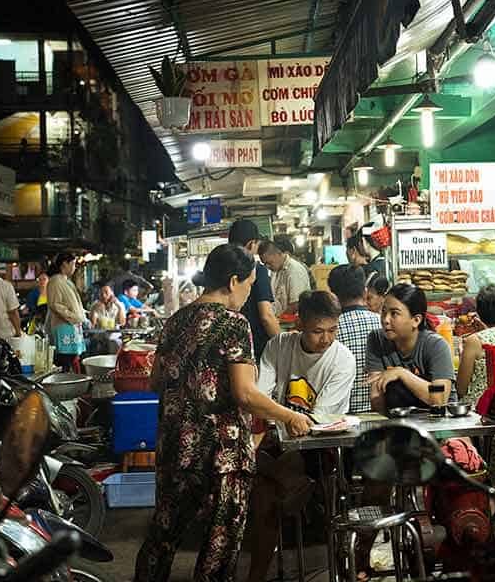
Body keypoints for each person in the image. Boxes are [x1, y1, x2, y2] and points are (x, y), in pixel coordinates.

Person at [134, 244, 312, 582]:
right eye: (248, 284)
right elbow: (245, 394)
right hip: (221, 456)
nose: (248, 293)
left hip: (174, 450)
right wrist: (289, 415)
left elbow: (156, 380)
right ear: (233, 281)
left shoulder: (175, 321)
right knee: (219, 546)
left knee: (162, 539)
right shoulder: (233, 324)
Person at [248, 290, 354, 582]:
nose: (326, 339)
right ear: (299, 324)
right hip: (279, 443)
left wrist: (280, 417)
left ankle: (256, 576)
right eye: (318, 331)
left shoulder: (342, 359)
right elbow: (258, 396)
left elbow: (317, 421)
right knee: (264, 493)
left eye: (333, 330)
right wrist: (284, 419)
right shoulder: (279, 345)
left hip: (319, 450)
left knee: (264, 488)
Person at [366, 284, 455, 414]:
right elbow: (376, 395)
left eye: (394, 313)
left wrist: (402, 373)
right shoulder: (376, 340)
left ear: (416, 320)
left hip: (438, 421)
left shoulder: (436, 345)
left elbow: (439, 399)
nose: (385, 320)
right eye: (383, 311)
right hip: (399, 421)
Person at [216, 219, 279, 361]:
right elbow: (266, 316)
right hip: (255, 348)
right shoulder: (256, 270)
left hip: (223, 344)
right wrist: (283, 343)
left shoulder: (219, 267)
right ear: (251, 244)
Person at [328, 265, 381, 413]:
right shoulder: (384, 324)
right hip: (380, 413)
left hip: (341, 416)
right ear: (365, 292)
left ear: (333, 295)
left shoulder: (328, 330)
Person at [46, 254, 86, 373]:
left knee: (73, 360)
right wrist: (73, 317)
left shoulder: (66, 281)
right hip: (63, 327)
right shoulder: (55, 281)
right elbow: (55, 304)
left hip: (72, 327)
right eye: (73, 264)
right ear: (64, 264)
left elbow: (73, 304)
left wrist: (82, 315)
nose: (75, 268)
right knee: (65, 362)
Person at [258, 240, 311, 316]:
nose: (267, 267)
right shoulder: (276, 270)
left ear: (279, 254)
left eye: (269, 263)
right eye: (265, 264)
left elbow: (296, 304)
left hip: (291, 322)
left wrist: (278, 319)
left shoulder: (294, 270)